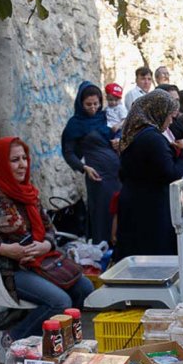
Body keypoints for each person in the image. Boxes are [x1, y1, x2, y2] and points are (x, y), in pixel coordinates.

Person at [0, 137, 94, 361]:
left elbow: (49, 228)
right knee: (59, 302)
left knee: (84, 288)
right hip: (8, 270)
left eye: (24, 158)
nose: (22, 164)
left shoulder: (28, 192)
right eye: (14, 160)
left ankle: (54, 341)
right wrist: (4, 249)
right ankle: (11, 337)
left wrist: (46, 245)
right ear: (1, 163)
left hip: (40, 263)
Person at [115, 90, 183, 259]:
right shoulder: (152, 138)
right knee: (153, 259)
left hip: (137, 203)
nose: (171, 121)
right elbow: (170, 173)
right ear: (158, 112)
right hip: (149, 209)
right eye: (170, 116)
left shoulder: (138, 133)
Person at [62, 81, 121, 244]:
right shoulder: (75, 124)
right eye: (88, 104)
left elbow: (120, 132)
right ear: (81, 103)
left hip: (117, 174)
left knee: (120, 212)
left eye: (96, 103)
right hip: (98, 176)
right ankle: (103, 250)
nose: (93, 107)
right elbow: (68, 153)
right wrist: (84, 168)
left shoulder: (105, 117)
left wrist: (118, 141)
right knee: (103, 213)